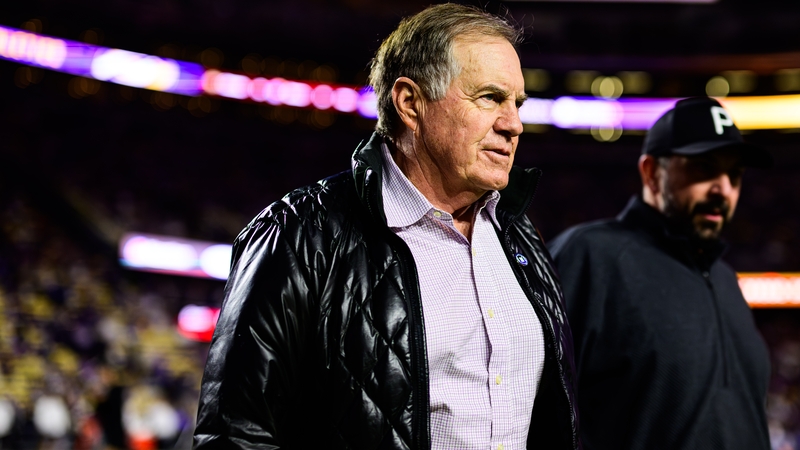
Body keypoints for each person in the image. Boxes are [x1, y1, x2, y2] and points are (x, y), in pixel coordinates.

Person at [193, 4, 579, 450]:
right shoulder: (297, 234)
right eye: (490, 97)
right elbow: (235, 435)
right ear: (410, 103)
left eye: (517, 103)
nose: (514, 125)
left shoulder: (520, 236)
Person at [548, 97, 772, 450]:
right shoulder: (589, 255)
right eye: (704, 168)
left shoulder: (726, 279)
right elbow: (533, 407)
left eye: (734, 174)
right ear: (652, 172)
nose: (723, 189)